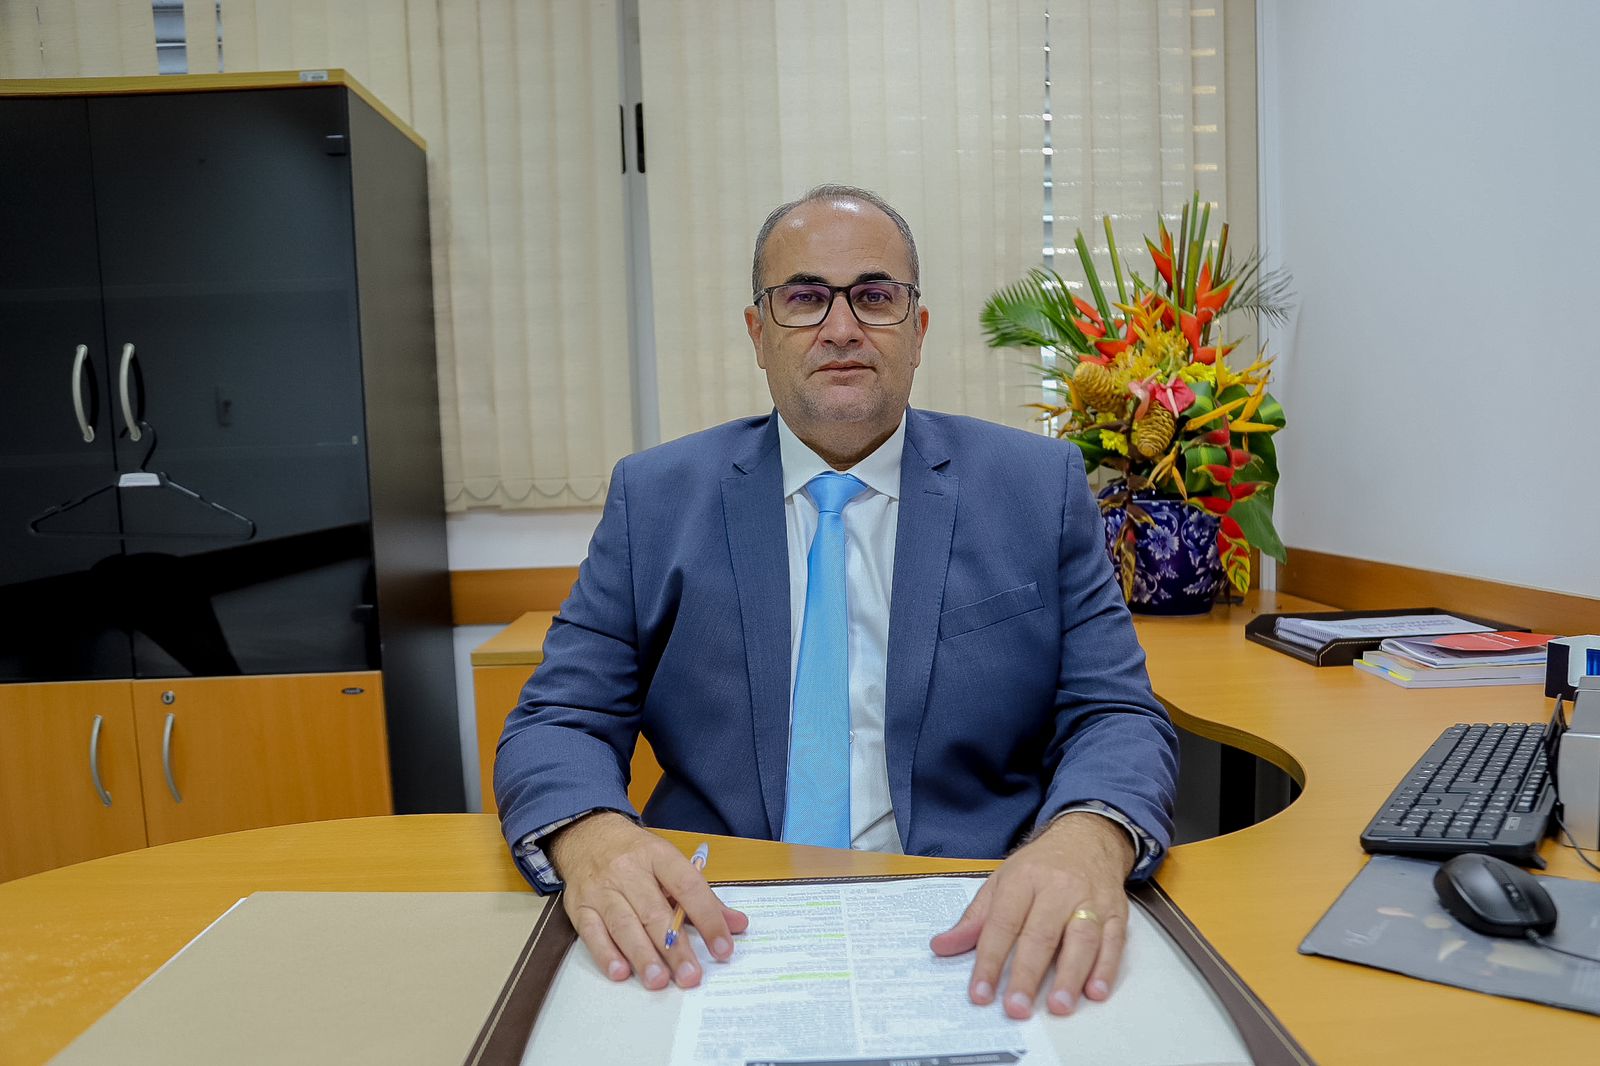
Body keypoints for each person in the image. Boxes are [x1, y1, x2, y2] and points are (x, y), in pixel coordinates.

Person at [495, 184, 1178, 1021]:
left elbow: (1116, 713)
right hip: (716, 919)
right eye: (805, 297)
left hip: (976, 911)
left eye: (876, 296)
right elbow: (559, 720)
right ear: (759, 333)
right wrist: (594, 836)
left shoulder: (1037, 487)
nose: (843, 327)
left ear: (918, 330)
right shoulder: (656, 499)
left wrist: (1087, 838)